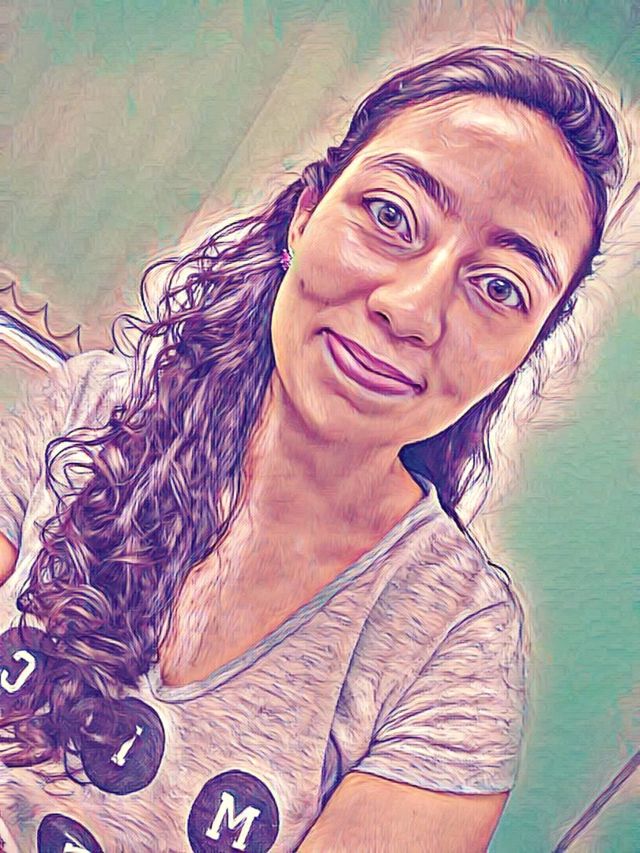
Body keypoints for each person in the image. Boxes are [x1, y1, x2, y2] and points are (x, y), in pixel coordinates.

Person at [0, 44, 625, 853]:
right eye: (391, 215)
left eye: (500, 287)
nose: (412, 308)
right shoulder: (90, 409)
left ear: (521, 352)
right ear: (305, 213)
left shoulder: (454, 647)